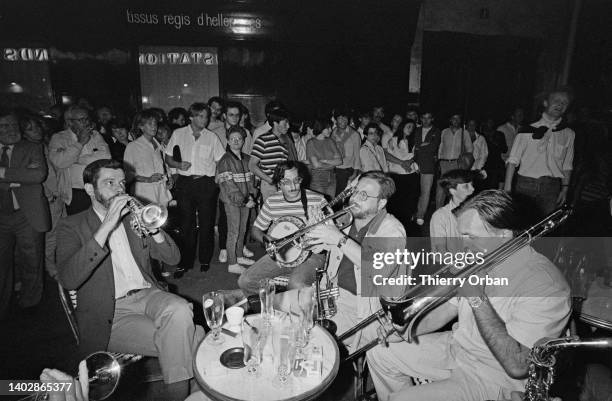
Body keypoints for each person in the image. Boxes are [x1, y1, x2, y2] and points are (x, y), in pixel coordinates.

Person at [367, 190, 572, 401]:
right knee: (379, 352)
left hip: (495, 377)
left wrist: (475, 296)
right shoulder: (483, 258)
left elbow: (518, 366)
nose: (463, 246)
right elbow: (446, 311)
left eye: (470, 237)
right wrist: (404, 330)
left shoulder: (546, 286)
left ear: (504, 233)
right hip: (459, 350)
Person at [56, 159, 203, 401]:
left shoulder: (133, 218)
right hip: (110, 314)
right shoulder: (71, 226)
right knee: (193, 335)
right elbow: (69, 278)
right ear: (90, 189)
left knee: (178, 309)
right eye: (109, 182)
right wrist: (107, 225)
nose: (119, 188)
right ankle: (191, 394)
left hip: (149, 295)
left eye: (122, 182)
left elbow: (174, 259)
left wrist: (153, 230)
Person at [275, 171, 407, 349]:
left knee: (304, 341)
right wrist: (313, 229)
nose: (355, 199)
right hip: (327, 293)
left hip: (360, 309)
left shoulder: (392, 230)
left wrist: (338, 238)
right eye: (355, 191)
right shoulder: (347, 220)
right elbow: (312, 248)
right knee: (273, 309)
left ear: (381, 202)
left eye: (364, 195)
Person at [237, 161, 327, 295]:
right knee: (245, 281)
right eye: (286, 181)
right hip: (282, 254)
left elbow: (332, 232)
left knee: (295, 284)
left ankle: (291, 307)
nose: (293, 186)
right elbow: (256, 230)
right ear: (279, 183)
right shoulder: (273, 201)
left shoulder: (317, 200)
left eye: (296, 180)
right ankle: (273, 309)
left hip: (312, 255)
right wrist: (270, 241)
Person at [0, 109, 50, 319]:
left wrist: (2, 173)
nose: (11, 130)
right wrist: (20, 177)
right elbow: (28, 176)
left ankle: (30, 304)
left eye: (13, 125)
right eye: (4, 126)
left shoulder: (31, 147)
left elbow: (38, 174)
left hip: (26, 214)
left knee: (32, 261)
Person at [164, 103, 225, 273]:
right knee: (186, 224)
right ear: (191, 117)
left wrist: (217, 177)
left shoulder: (211, 137)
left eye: (206, 116)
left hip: (206, 183)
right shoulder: (178, 134)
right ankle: (185, 262)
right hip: (185, 182)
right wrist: (178, 164)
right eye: (201, 116)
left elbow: (221, 160)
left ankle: (205, 259)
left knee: (207, 222)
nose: (205, 120)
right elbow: (168, 158)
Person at [505, 88, 575, 218]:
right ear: (545, 103)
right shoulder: (526, 130)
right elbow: (512, 160)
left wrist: (565, 189)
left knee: (544, 229)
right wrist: (507, 189)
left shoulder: (568, 134)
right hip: (525, 185)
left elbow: (567, 164)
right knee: (521, 224)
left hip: (552, 187)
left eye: (564, 103)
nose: (560, 104)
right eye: (556, 100)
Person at [48, 106, 111, 215]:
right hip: (76, 193)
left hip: (98, 188)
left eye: (87, 119)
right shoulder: (59, 138)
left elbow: (106, 157)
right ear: (69, 122)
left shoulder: (95, 135)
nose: (86, 122)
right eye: (81, 120)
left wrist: (76, 159)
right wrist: (80, 143)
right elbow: (60, 162)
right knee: (80, 227)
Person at [216, 126, 257, 274]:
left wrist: (252, 195)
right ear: (227, 140)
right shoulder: (225, 160)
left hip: (246, 199)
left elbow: (252, 180)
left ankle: (239, 256)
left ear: (243, 140)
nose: (236, 141)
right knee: (233, 231)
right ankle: (232, 263)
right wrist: (245, 201)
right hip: (232, 201)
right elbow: (229, 186)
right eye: (232, 139)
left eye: (239, 138)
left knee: (242, 229)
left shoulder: (247, 158)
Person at [123, 110, 172, 207]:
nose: (154, 127)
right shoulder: (133, 146)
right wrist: (148, 179)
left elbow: (164, 165)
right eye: (150, 124)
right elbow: (128, 174)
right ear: (141, 126)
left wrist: (169, 178)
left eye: (155, 123)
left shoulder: (158, 145)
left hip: (161, 192)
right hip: (144, 194)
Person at [249, 108, 296, 201]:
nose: (288, 126)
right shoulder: (262, 140)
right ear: (275, 123)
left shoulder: (286, 140)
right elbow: (252, 165)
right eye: (285, 123)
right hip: (269, 185)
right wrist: (270, 181)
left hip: (284, 183)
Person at [385, 120, 420, 229]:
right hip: (397, 175)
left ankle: (407, 225)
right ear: (402, 127)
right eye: (408, 126)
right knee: (397, 202)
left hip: (410, 174)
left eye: (412, 127)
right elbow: (386, 155)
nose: (411, 129)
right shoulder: (393, 140)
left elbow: (415, 155)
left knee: (410, 201)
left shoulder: (413, 141)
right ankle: (394, 226)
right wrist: (402, 163)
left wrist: (410, 162)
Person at [430, 169, 475, 253]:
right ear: (452, 191)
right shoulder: (440, 216)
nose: (472, 189)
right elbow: (441, 251)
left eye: (472, 184)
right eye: (466, 186)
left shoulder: (478, 210)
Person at [435, 114, 473, 208]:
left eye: (458, 118)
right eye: (453, 118)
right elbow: (440, 147)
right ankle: (438, 213)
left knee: (454, 190)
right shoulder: (444, 131)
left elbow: (470, 149)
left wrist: (465, 161)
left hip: (457, 164)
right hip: (444, 163)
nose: (455, 120)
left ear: (460, 120)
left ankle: (452, 213)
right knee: (440, 190)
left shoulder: (465, 133)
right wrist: (439, 161)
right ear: (450, 120)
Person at [414, 111, 441, 226]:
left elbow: (433, 147)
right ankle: (414, 212)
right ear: (421, 118)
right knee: (415, 191)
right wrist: (425, 144)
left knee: (426, 192)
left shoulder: (436, 131)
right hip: (414, 163)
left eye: (428, 118)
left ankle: (420, 215)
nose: (426, 120)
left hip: (429, 165)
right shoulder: (417, 130)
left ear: (432, 119)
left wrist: (421, 147)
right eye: (423, 118)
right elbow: (414, 146)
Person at [306, 117, 342, 199]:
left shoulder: (330, 141)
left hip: (332, 177)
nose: (331, 130)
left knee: (330, 205)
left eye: (331, 128)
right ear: (320, 128)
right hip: (318, 178)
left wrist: (324, 161)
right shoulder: (311, 142)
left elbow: (339, 161)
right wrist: (332, 163)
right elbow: (316, 165)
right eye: (328, 128)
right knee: (320, 205)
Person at [331, 109, 361, 195]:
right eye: (340, 118)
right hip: (334, 170)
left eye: (345, 118)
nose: (343, 120)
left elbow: (357, 156)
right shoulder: (333, 133)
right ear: (336, 119)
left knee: (341, 198)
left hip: (347, 171)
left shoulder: (354, 134)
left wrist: (355, 173)